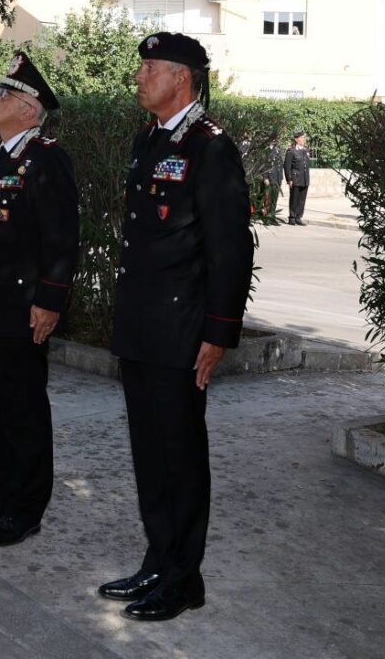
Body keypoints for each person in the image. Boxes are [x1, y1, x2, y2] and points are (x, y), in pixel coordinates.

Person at [99, 31, 251, 621]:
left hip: (182, 330)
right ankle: (159, 559)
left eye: (149, 68)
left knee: (180, 456)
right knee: (149, 452)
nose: (139, 78)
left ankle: (184, 578)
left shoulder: (210, 148)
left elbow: (229, 249)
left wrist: (217, 332)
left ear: (182, 78)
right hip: (141, 327)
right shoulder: (148, 142)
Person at [0, 53, 79, 547]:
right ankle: (0, 493)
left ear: (29, 109)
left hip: (21, 309)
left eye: (2, 94)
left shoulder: (46, 158)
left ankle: (26, 508)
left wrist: (50, 301)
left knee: (22, 409)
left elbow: (62, 238)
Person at [283, 130, 311, 226]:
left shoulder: (306, 150)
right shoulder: (291, 151)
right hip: (295, 179)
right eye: (302, 138)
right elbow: (287, 166)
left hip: (305, 179)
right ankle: (292, 217)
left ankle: (298, 217)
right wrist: (289, 179)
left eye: (304, 138)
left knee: (302, 200)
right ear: (296, 139)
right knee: (294, 198)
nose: (304, 139)